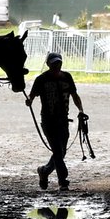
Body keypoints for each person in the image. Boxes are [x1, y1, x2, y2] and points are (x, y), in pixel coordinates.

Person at [27, 52, 87, 190]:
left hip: (63, 120)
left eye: (58, 63)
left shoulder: (67, 77)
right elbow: (32, 96)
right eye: (54, 63)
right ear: (48, 64)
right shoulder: (41, 79)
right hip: (48, 121)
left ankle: (44, 171)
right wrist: (29, 101)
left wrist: (81, 110)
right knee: (58, 152)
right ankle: (63, 181)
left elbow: (74, 95)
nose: (57, 66)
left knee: (61, 151)